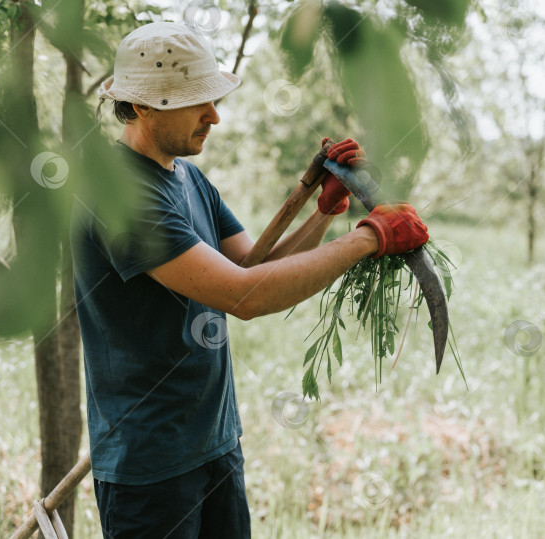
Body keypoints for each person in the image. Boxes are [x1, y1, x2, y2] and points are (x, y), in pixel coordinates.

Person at [71, 21, 429, 539]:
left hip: (213, 442)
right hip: (150, 466)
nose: (214, 116)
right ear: (145, 106)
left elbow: (249, 268)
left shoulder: (186, 176)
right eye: (198, 103)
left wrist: (323, 214)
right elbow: (245, 297)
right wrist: (369, 238)